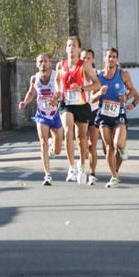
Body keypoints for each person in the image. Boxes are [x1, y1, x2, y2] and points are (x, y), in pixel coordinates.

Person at [55, 36, 100, 184]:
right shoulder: (60, 65)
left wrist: (81, 88)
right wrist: (58, 92)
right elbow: (57, 81)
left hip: (81, 104)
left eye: (74, 45)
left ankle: (82, 166)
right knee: (68, 131)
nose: (71, 48)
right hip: (66, 103)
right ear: (66, 48)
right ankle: (71, 167)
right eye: (69, 45)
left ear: (79, 48)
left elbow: (97, 84)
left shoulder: (85, 65)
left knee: (81, 138)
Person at [93, 48, 139, 188]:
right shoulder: (98, 76)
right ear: (104, 58)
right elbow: (92, 99)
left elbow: (133, 92)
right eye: (109, 56)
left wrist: (126, 97)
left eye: (114, 57)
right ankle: (114, 176)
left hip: (118, 114)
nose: (111, 59)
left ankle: (123, 150)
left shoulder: (123, 75)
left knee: (117, 143)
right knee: (109, 148)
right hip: (103, 115)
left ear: (117, 59)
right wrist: (99, 93)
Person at [18, 53, 64, 186]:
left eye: (45, 61)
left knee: (57, 150)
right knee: (42, 142)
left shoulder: (56, 76)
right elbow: (32, 92)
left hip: (56, 115)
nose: (43, 64)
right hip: (42, 114)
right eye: (40, 61)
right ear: (37, 64)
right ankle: (47, 175)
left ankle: (52, 147)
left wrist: (57, 99)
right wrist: (25, 102)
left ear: (50, 63)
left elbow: (61, 91)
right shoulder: (35, 78)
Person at [82, 49, 101, 185]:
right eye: (83, 58)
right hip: (81, 110)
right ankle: (82, 167)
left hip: (94, 111)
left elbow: (96, 96)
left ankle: (92, 174)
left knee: (93, 145)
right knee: (82, 143)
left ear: (93, 59)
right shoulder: (76, 73)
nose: (86, 60)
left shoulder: (97, 75)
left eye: (88, 58)